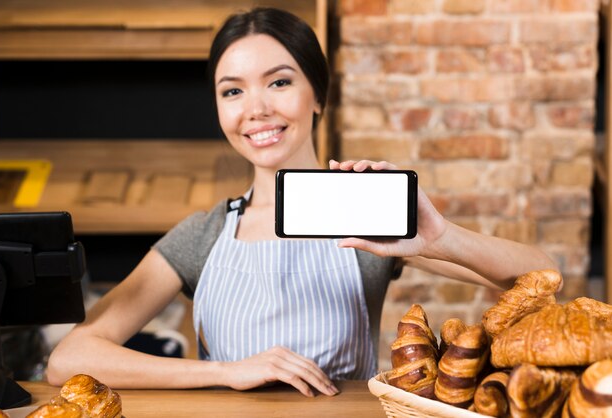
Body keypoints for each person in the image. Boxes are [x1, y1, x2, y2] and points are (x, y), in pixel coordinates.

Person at [47, 7, 557, 397]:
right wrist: (227, 372)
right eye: (232, 91)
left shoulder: (363, 215)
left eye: (280, 82)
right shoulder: (202, 236)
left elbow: (543, 280)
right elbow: (70, 357)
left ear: (318, 95)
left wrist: (441, 238)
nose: (257, 109)